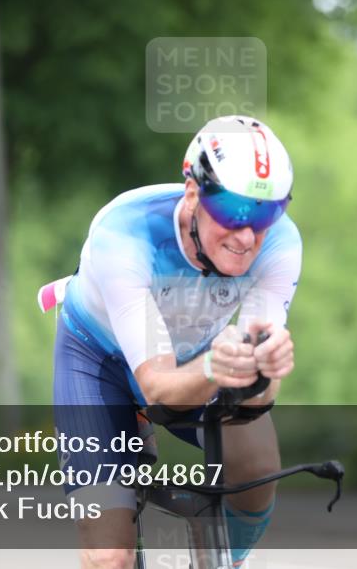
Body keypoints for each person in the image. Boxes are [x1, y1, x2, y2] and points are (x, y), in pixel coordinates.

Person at [43, 115, 301, 569]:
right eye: (233, 212)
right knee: (109, 557)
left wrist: (267, 370)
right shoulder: (124, 236)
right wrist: (214, 369)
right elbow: (160, 386)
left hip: (195, 356)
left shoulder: (279, 243)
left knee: (258, 468)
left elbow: (256, 391)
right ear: (193, 194)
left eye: (264, 214)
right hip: (99, 361)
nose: (247, 236)